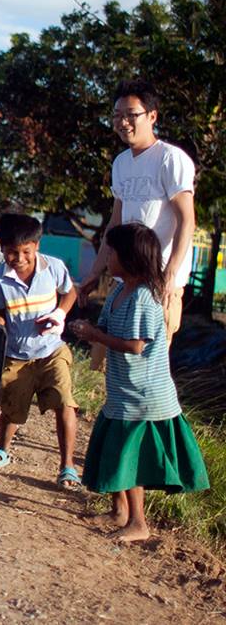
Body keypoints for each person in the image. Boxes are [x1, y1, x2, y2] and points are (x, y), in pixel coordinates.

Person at [70, 223, 209, 542]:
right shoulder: (120, 291)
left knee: (129, 459)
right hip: (124, 391)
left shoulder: (144, 298)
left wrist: (95, 335)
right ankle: (119, 511)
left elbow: (135, 346)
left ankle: (138, 522)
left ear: (130, 258)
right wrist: (87, 325)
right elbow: (106, 327)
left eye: (113, 253)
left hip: (144, 395)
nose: (108, 258)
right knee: (116, 448)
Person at [79, 79, 196, 369]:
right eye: (117, 116)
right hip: (123, 284)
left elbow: (187, 221)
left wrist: (168, 277)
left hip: (157, 287)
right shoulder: (120, 163)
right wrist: (94, 273)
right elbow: (114, 223)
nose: (123, 122)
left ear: (152, 116)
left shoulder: (170, 159)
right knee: (104, 369)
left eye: (131, 114)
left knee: (143, 372)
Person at [0, 213, 81, 489]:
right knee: (11, 408)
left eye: (26, 252)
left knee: (65, 402)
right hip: (17, 355)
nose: (19, 259)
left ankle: (67, 466)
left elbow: (70, 292)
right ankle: (2, 449)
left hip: (52, 350)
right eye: (11, 253)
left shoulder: (53, 268)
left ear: (36, 246)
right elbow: (0, 311)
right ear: (2, 248)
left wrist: (60, 314)